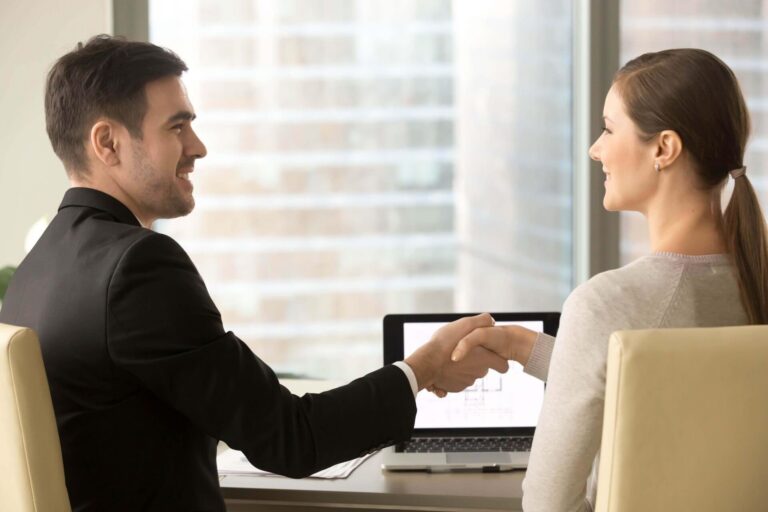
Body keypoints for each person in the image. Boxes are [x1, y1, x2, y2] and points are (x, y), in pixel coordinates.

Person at [0, 35, 508, 512]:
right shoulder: (138, 266)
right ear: (107, 143)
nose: (198, 147)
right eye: (177, 127)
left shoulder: (38, 268)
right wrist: (423, 368)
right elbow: (291, 439)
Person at [449, 48, 767, 511]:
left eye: (608, 128)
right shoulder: (753, 282)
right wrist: (525, 348)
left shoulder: (606, 305)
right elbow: (671, 385)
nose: (595, 148)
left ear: (663, 148)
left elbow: (547, 504)